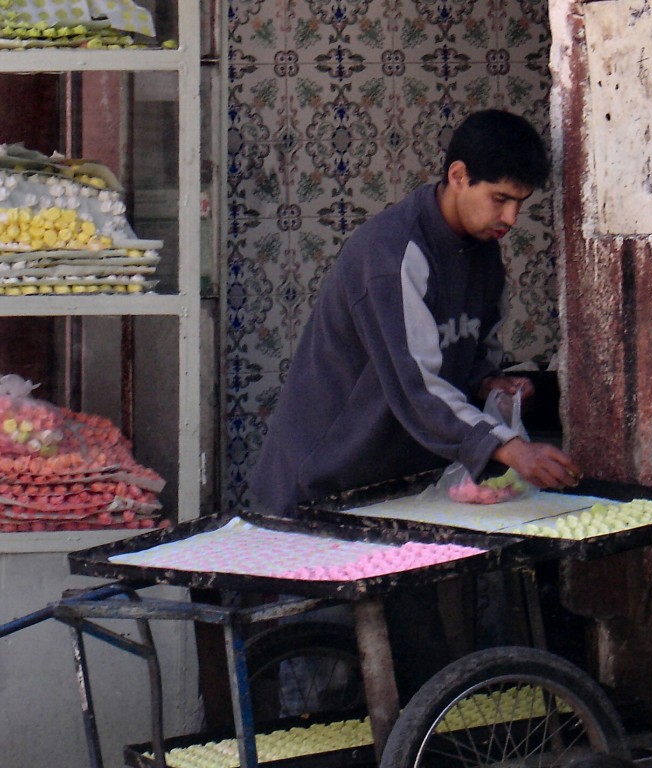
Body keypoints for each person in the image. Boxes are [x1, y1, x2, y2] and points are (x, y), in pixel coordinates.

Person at [248, 108, 583, 699]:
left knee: (418, 671)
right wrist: (510, 449)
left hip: (398, 496)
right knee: (328, 693)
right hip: (324, 492)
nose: (510, 218)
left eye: (520, 204)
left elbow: (470, 351)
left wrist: (490, 384)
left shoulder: (482, 253)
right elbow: (417, 384)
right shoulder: (391, 255)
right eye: (501, 199)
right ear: (458, 175)